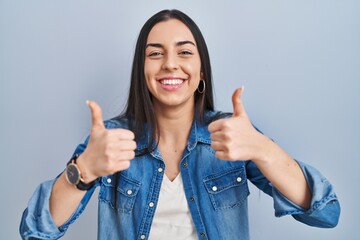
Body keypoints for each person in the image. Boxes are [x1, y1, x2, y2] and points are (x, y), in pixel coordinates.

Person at [20, 9, 340, 240]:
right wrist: (84, 169)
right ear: (142, 73)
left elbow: (326, 214)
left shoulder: (232, 135)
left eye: (184, 52)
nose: (170, 63)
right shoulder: (111, 139)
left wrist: (263, 149)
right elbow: (35, 232)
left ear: (201, 72)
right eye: (155, 53)